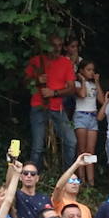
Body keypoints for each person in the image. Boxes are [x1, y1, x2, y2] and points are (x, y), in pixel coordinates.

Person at [24, 35, 76, 172]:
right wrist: (37, 80)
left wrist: (54, 93)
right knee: (37, 146)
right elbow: (23, 83)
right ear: (47, 46)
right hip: (38, 106)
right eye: (54, 45)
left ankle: (67, 176)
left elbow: (71, 88)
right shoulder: (36, 61)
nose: (57, 49)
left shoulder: (66, 63)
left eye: (59, 45)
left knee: (71, 141)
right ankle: (33, 177)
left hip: (57, 108)